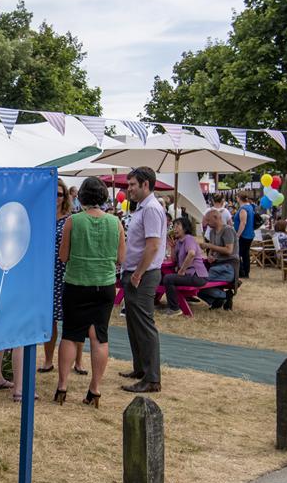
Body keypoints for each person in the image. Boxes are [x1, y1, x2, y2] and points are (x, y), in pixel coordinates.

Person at [56, 176, 125, 406]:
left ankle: (62, 386)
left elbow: (63, 257)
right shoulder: (116, 223)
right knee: (99, 337)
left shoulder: (73, 221)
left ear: (82, 196)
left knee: (70, 334)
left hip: (76, 283)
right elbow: (120, 258)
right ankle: (94, 389)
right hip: (104, 286)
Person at [118, 167, 165, 394]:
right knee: (134, 323)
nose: (129, 190)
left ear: (145, 184)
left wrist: (137, 274)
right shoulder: (143, 208)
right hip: (136, 272)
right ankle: (141, 368)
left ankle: (152, 378)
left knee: (144, 325)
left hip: (143, 275)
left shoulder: (152, 209)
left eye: (132, 185)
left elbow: (153, 245)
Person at [40, 179, 85, 375]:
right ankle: (48, 360)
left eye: (59, 194)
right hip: (46, 275)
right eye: (53, 194)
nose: (55, 198)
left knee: (73, 320)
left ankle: (79, 362)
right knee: (49, 320)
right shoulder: (41, 217)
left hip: (66, 273)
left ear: (65, 197)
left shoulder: (71, 219)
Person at [161, 217, 208, 315]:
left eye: (178, 225)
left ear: (185, 228)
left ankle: (174, 309)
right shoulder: (179, 242)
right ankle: (163, 302)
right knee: (164, 278)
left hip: (197, 276)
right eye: (174, 226)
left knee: (168, 278)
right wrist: (173, 247)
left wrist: (182, 270)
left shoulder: (188, 238)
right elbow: (173, 260)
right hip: (190, 275)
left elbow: (191, 253)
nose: (175, 228)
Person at [198, 208, 238, 310]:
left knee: (197, 282)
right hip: (217, 265)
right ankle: (218, 299)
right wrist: (211, 256)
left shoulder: (228, 230)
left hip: (228, 267)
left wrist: (208, 246)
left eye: (208, 220)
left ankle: (224, 296)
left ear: (216, 218)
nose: (206, 223)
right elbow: (213, 250)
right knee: (195, 282)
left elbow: (229, 250)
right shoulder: (212, 232)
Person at [233, 191, 256, 278]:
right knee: (245, 254)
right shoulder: (250, 206)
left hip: (244, 235)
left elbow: (243, 222)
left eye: (236, 197)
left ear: (239, 198)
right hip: (249, 234)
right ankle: (245, 272)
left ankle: (242, 272)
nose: (236, 199)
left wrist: (238, 235)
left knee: (238, 254)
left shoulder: (243, 209)